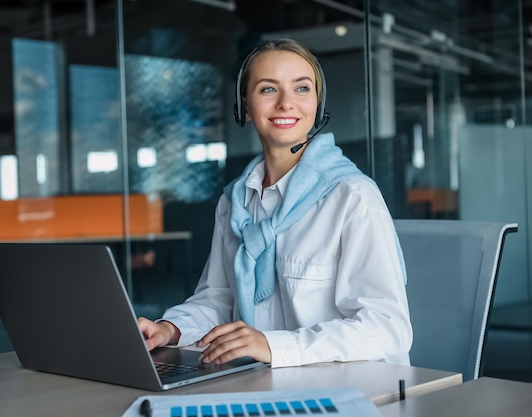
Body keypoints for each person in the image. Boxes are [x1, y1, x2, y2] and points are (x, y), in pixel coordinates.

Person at [138, 38, 412, 368]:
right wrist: (171, 328)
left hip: (348, 390)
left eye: (301, 89)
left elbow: (387, 328)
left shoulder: (351, 198)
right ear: (245, 107)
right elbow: (220, 299)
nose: (286, 103)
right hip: (260, 384)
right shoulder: (234, 203)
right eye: (268, 89)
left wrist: (273, 345)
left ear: (318, 104)